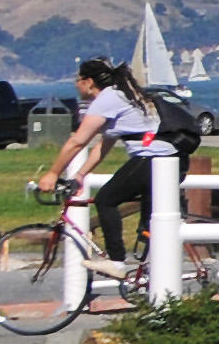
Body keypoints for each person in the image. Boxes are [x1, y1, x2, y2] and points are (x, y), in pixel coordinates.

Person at [35, 57, 169, 271]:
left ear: (88, 82)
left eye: (77, 79)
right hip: (165, 160)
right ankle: (146, 273)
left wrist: (52, 173)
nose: (75, 84)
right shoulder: (121, 95)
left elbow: (78, 141)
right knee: (149, 221)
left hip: (152, 159)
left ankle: (117, 261)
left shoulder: (106, 100)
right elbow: (103, 145)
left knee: (106, 199)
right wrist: (80, 175)